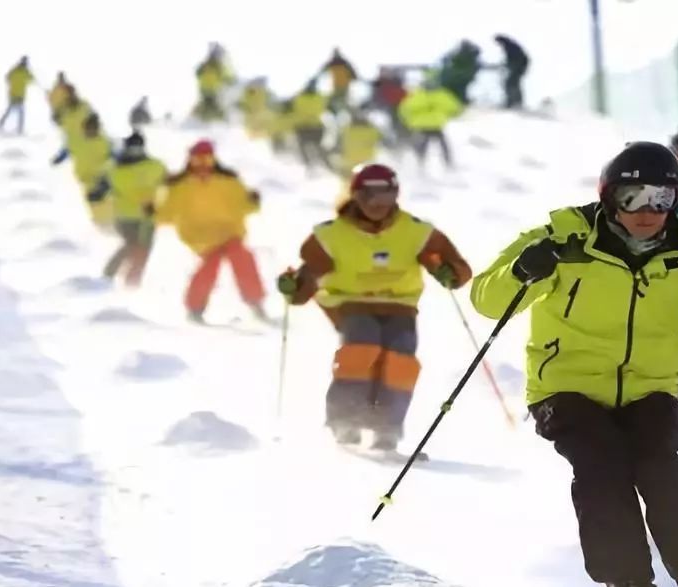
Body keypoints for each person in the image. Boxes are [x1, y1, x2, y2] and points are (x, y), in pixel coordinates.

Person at [469, 142, 678, 587]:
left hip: (650, 390)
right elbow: (486, 299)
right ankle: (626, 579)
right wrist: (521, 271)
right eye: (633, 198)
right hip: (566, 388)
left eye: (662, 198)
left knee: (660, 466)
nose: (647, 210)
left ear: (677, 200)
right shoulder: (562, 242)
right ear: (609, 197)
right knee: (601, 463)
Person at [276, 162, 472, 449]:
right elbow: (311, 273)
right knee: (362, 345)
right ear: (355, 195)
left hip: (400, 304)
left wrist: (449, 271)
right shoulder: (333, 234)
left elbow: (443, 259)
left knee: (400, 356)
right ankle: (345, 420)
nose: (378, 204)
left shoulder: (414, 231)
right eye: (369, 196)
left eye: (387, 196)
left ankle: (387, 427)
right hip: (351, 302)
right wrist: (296, 288)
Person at [154, 140, 269, 323]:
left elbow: (245, 206)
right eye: (197, 161)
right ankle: (195, 309)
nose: (202, 166)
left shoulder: (228, 181)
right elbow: (167, 214)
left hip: (229, 231)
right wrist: (153, 212)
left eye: (206, 160)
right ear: (189, 161)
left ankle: (256, 303)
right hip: (200, 237)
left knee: (241, 257)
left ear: (213, 160)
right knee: (210, 266)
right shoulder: (180, 186)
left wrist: (253, 201)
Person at [94, 132, 168, 285]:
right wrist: (98, 192)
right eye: (132, 149)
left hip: (147, 217)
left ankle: (132, 282)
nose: (135, 153)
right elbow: (100, 189)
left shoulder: (155, 166)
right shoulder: (115, 169)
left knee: (142, 250)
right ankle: (108, 276)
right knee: (131, 245)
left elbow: (171, 184)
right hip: (125, 217)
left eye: (138, 149)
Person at [52, 112, 115, 228]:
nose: (92, 131)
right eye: (89, 128)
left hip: (103, 178)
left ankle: (110, 224)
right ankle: (101, 225)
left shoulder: (105, 141)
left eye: (95, 128)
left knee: (108, 202)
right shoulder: (76, 141)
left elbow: (115, 156)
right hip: (85, 179)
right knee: (93, 203)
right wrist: (59, 158)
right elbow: (66, 150)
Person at [398, 76, 462, 169]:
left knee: (438, 146)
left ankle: (441, 164)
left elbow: (454, 107)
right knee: (430, 146)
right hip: (424, 126)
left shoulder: (437, 94)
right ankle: (423, 164)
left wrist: (407, 119)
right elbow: (405, 109)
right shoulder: (419, 94)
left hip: (433, 125)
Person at [0, 56, 34, 134]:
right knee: (19, 112)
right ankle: (19, 129)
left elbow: (7, 77)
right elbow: (32, 80)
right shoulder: (24, 71)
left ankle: (2, 125)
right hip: (18, 95)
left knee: (12, 111)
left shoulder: (16, 70)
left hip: (15, 94)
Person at [494, 34, 530, 109]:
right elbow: (509, 59)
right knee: (513, 82)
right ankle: (516, 102)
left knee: (511, 82)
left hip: (520, 64)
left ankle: (512, 102)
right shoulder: (510, 44)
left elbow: (513, 58)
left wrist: (508, 65)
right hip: (521, 63)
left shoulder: (508, 46)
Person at [320, 48, 359, 114]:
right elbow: (323, 70)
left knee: (343, 101)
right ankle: (336, 113)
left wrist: (353, 77)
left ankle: (349, 114)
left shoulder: (343, 63)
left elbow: (354, 75)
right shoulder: (334, 63)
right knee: (338, 101)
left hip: (343, 86)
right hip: (338, 86)